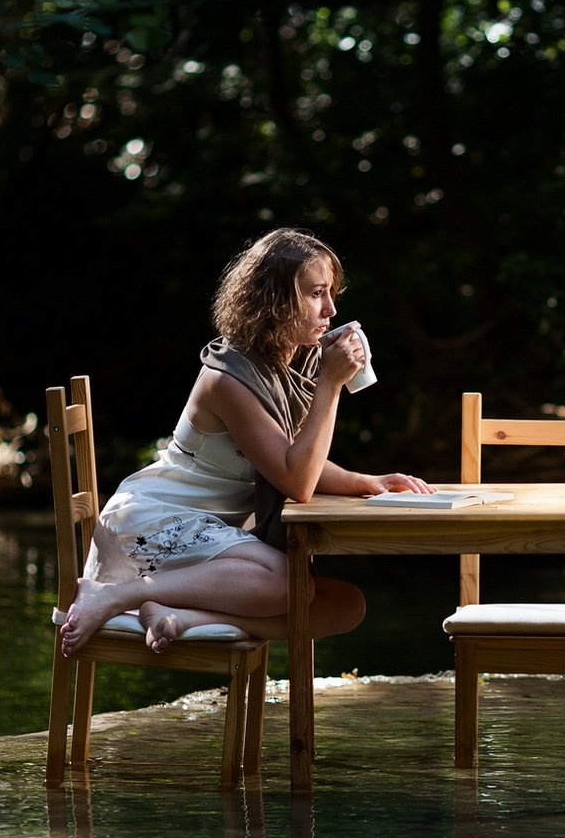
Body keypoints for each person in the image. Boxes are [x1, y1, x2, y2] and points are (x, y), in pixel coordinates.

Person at [59, 227, 433, 655]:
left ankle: (182, 616)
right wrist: (330, 383)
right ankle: (112, 596)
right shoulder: (228, 378)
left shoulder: (282, 365)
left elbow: (286, 459)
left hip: (210, 533)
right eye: (316, 293)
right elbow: (297, 481)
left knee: (347, 604)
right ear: (275, 300)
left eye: (331, 294)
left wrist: (367, 481)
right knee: (287, 584)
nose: (330, 309)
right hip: (155, 519)